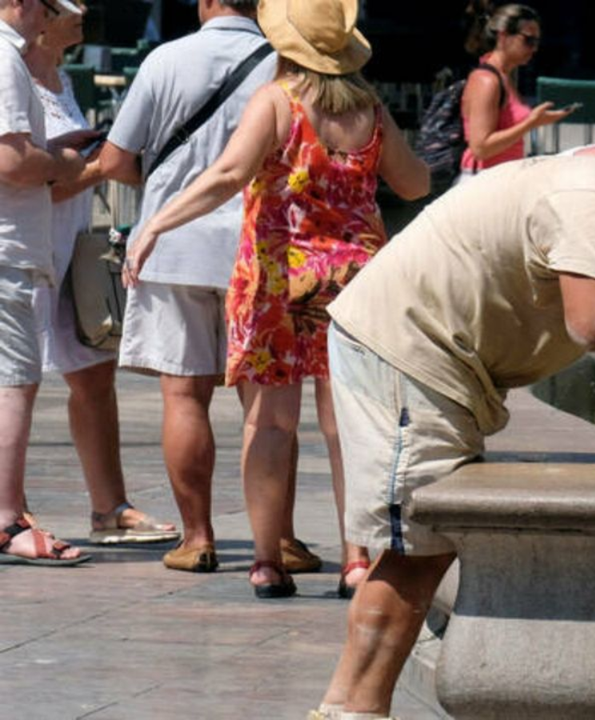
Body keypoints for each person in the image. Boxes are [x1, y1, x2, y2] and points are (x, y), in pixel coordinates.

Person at [311, 155, 595, 719]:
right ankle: (350, 710)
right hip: (409, 351)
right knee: (415, 550)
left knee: (421, 549)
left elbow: (577, 307)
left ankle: (352, 707)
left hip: (435, 362)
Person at [122, 0, 430, 598]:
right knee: (347, 427)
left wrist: (157, 223)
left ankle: (266, 561)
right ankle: (356, 558)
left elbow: (226, 176)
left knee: (270, 422)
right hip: (357, 286)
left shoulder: (278, 102)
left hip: (276, 281)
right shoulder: (371, 111)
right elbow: (415, 184)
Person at [96, 0, 293, 574]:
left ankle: (198, 536)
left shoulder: (166, 60)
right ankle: (278, 540)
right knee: (268, 408)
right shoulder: (283, 64)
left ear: (205, 2)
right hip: (259, 249)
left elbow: (114, 160)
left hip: (173, 242)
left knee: (184, 397)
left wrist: (165, 179)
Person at [22, 0, 180, 546]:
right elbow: (33, 178)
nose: (84, 9)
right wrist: (98, 168)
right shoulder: (14, 79)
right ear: (38, 15)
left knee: (93, 375)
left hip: (68, 248)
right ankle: (11, 511)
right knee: (13, 381)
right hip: (28, 246)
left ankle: (110, 506)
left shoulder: (60, 79)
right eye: (69, 4)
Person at [0, 0, 88, 565]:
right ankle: (8, 520)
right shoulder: (5, 59)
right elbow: (11, 162)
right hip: (6, 244)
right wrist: (64, 163)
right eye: (48, 8)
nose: (49, 21)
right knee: (15, 380)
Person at [459, 3, 573, 178]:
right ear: (503, 36)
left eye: (537, 42)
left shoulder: (505, 77)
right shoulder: (487, 80)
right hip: (483, 180)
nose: (534, 48)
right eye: (529, 40)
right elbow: (481, 148)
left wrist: (537, 121)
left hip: (500, 177)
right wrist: (531, 123)